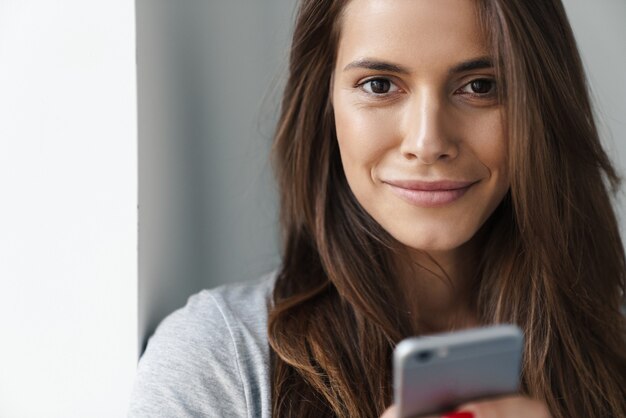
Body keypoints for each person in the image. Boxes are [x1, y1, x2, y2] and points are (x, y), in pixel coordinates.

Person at [128, 0, 626, 417]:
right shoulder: (221, 359)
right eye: (380, 85)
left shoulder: (611, 350)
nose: (428, 143)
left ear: (540, 105)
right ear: (326, 105)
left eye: (480, 86)